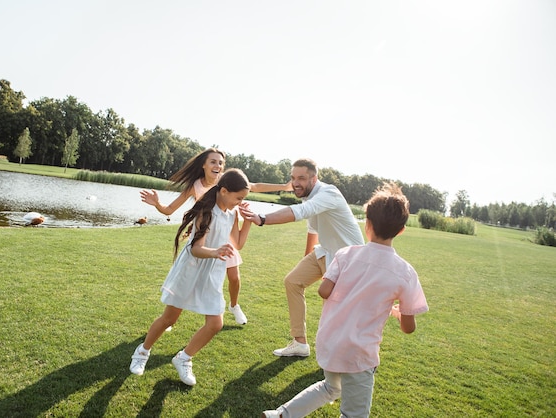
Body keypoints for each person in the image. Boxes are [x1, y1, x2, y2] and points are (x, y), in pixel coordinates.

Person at [261, 182, 429, 418]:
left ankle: (281, 414)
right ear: (401, 230)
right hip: (359, 353)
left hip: (330, 342)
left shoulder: (345, 254)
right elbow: (408, 327)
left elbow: (324, 291)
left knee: (331, 387)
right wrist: (399, 312)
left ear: (367, 224)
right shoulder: (405, 272)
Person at [130, 168, 257, 386]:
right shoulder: (206, 212)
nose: (240, 202)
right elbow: (196, 249)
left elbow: (238, 245)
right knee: (169, 318)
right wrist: (215, 252)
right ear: (224, 191)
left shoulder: (232, 213)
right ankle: (142, 352)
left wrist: (247, 221)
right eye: (239, 198)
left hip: (212, 274)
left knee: (216, 323)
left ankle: (184, 358)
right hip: (191, 268)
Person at [140, 147, 291, 325]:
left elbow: (255, 186)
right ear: (203, 165)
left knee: (234, 277)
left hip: (226, 235)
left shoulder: (227, 182)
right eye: (213, 162)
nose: (217, 165)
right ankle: (170, 318)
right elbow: (169, 209)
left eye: (220, 163)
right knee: (188, 281)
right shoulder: (195, 186)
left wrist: (284, 187)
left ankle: (234, 306)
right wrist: (157, 203)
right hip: (204, 238)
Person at [243, 158, 365, 357]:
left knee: (337, 308)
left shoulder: (328, 193)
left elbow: (301, 212)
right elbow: (312, 229)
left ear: (314, 179)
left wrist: (263, 219)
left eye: (301, 178)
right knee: (293, 281)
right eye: (292, 178)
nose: (295, 183)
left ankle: (348, 354)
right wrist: (305, 259)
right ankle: (300, 343)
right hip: (325, 252)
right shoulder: (308, 196)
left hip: (348, 260)